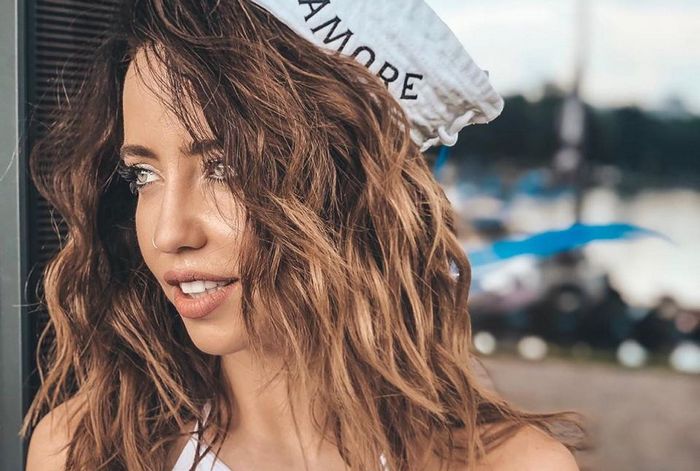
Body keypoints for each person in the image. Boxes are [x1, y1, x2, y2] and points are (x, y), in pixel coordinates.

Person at [22, 1, 587, 469]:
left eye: (227, 167)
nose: (170, 233)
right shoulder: (85, 451)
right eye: (144, 175)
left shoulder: (511, 465)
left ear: (355, 182)